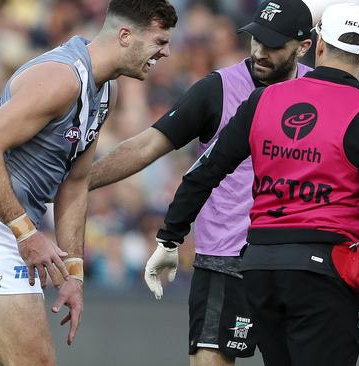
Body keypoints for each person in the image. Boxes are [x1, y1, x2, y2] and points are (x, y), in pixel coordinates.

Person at [149, 3, 359, 366]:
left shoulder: (263, 99)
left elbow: (204, 173)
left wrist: (170, 237)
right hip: (323, 273)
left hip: (260, 269)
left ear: (318, 46)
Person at [0, 1, 177, 365]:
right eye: (160, 41)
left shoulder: (106, 89)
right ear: (126, 35)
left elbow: (76, 183)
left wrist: (75, 274)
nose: (167, 52)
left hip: (8, 229)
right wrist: (26, 234)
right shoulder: (61, 77)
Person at [89, 1, 313, 364]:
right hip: (226, 257)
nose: (259, 51)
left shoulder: (320, 93)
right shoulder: (218, 88)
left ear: (303, 47)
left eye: (273, 44)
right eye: (256, 39)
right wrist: (79, 183)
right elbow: (147, 145)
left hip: (295, 258)